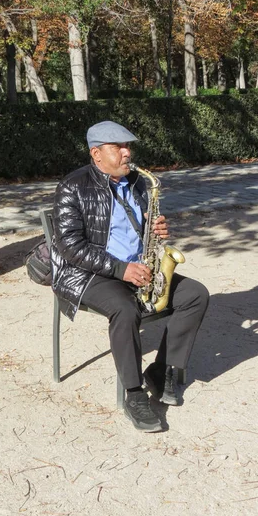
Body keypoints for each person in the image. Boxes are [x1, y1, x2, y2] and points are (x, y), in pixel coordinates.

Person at [51, 121, 209, 432]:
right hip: (88, 273)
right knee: (125, 309)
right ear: (96, 154)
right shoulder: (73, 186)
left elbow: (139, 224)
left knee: (195, 295)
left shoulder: (137, 182)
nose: (127, 153)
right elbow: (69, 244)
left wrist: (154, 227)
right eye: (118, 147)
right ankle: (134, 392)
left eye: (128, 146)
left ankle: (160, 371)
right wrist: (121, 269)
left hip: (137, 267)